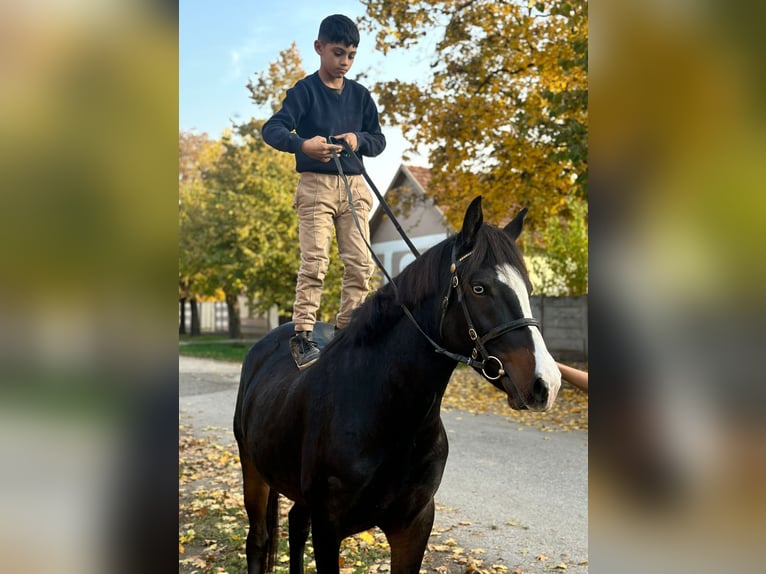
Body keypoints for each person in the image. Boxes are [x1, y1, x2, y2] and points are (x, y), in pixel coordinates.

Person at [262, 14, 386, 369]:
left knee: (361, 265)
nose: (344, 62)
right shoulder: (304, 92)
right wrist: (303, 146)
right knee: (315, 262)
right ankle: (302, 335)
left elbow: (378, 140)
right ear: (319, 48)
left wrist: (356, 139)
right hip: (315, 186)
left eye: (351, 55)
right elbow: (272, 129)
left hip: (354, 186)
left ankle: (346, 331)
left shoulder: (361, 96)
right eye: (337, 53)